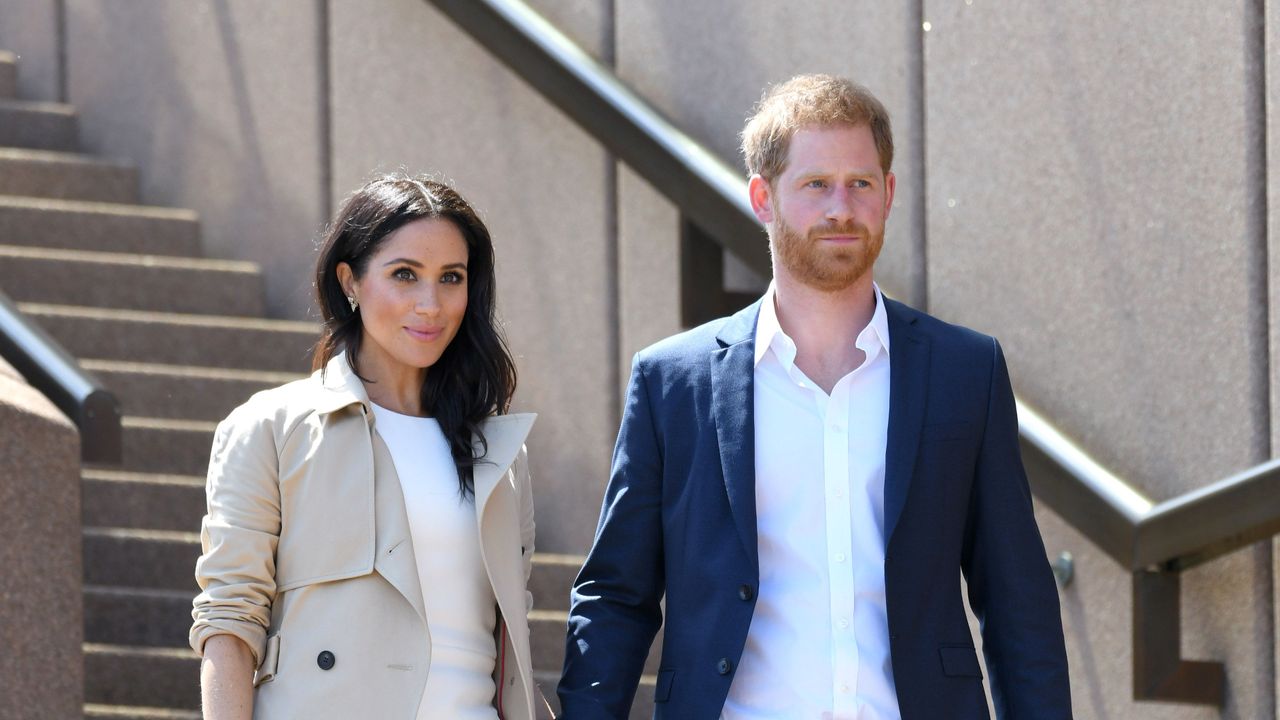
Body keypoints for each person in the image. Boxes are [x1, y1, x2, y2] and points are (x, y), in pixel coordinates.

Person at [557, 75, 1071, 719]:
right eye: (815, 184)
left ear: (888, 194)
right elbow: (617, 596)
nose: (841, 208)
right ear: (762, 197)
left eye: (860, 183)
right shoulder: (673, 382)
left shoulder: (965, 372)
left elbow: (1017, 595)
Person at [190, 175, 552, 719]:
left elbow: (506, 640)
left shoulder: (499, 452)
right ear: (350, 281)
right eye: (404, 274)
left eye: (450, 277)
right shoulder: (270, 427)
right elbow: (229, 621)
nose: (431, 304)